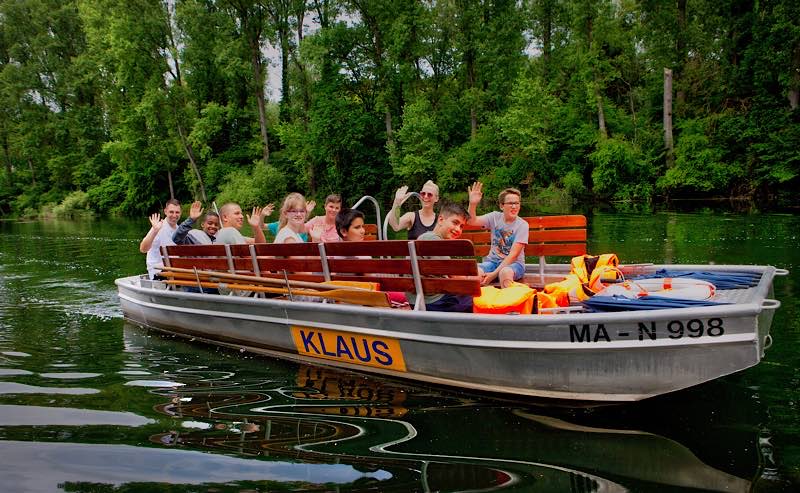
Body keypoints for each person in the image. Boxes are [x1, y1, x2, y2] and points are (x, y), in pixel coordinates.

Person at [409, 202, 474, 312]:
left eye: (461, 226)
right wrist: (476, 280)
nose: (458, 229)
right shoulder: (434, 241)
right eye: (455, 222)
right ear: (440, 220)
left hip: (416, 301)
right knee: (478, 298)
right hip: (434, 303)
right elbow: (454, 276)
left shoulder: (423, 237)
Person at [467, 181, 528, 288]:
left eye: (517, 203)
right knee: (475, 272)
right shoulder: (494, 217)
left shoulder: (522, 225)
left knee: (504, 273)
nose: (514, 206)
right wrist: (473, 204)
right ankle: (483, 303)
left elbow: (513, 256)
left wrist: (493, 275)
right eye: (510, 203)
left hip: (514, 265)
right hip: (492, 262)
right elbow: (471, 221)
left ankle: (508, 303)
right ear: (501, 206)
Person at [139, 199, 181, 279]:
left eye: (177, 212)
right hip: (158, 273)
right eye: (171, 212)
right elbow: (143, 249)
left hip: (174, 271)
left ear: (180, 213)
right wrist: (154, 231)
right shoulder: (158, 227)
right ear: (165, 211)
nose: (174, 215)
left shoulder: (179, 230)